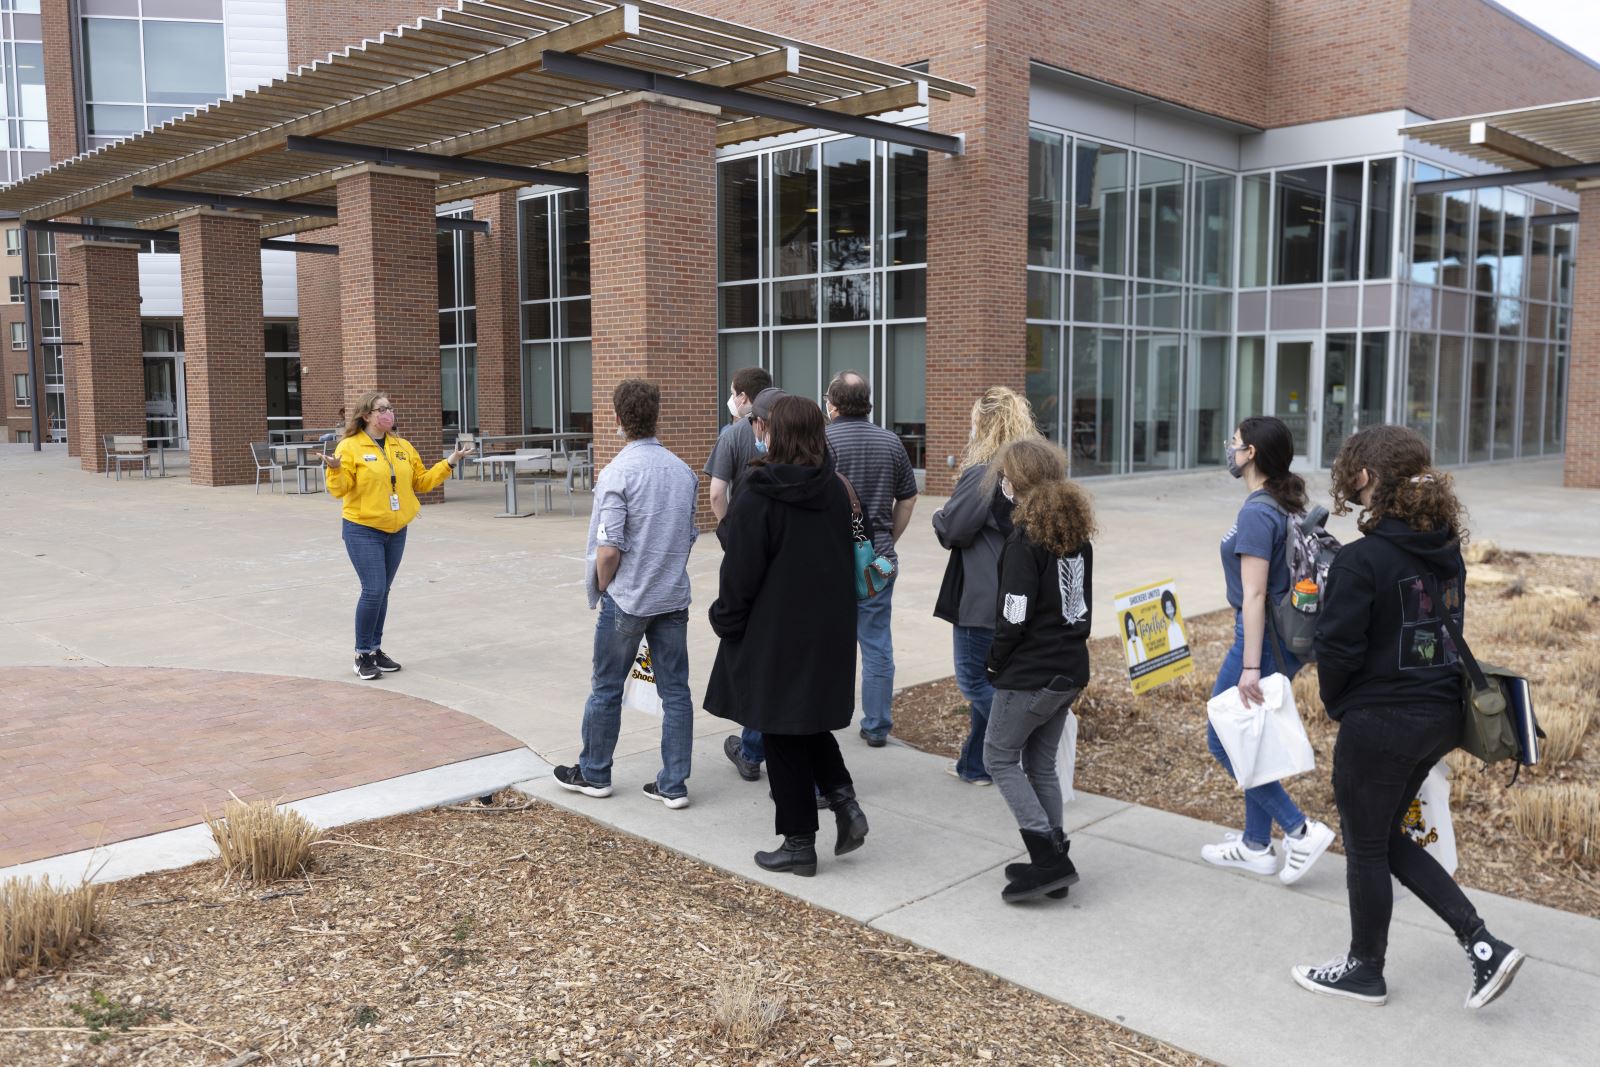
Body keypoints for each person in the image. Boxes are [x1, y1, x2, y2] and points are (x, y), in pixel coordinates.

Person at [1293, 424, 1524, 1009]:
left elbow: (1338, 651)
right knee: (1382, 836)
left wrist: (1340, 705)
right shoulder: (1445, 549)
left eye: (1351, 470)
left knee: (1366, 846)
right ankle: (1482, 945)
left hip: (1380, 723)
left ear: (1366, 477)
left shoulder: (1361, 560)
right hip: (1437, 718)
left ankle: (1365, 970)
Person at [705, 395, 867, 876]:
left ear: (776, 434)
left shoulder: (760, 489)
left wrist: (726, 618)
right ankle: (843, 800)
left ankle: (799, 843)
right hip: (828, 627)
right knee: (807, 722)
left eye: (766, 427)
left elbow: (740, 569)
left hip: (774, 630)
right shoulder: (835, 488)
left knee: (779, 731)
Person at [1200, 415, 1335, 884]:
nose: (1229, 450)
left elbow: (1255, 594)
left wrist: (1251, 666)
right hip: (1281, 638)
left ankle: (1299, 831)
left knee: (1222, 736)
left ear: (1251, 453)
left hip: (1261, 641)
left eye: (1233, 443)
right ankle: (1257, 845)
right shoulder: (1283, 501)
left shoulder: (1258, 512)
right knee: (1247, 737)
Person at [554, 380, 699, 809]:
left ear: (617, 419)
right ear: (656, 416)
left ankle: (595, 772)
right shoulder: (682, 470)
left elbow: (609, 547)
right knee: (676, 691)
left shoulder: (618, 472)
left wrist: (602, 585)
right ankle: (674, 783)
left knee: (606, 686)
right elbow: (688, 533)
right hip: (671, 596)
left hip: (628, 598)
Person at [983, 438, 1093, 903]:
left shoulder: (1023, 540)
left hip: (1030, 671)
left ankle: (1048, 859)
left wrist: (994, 661)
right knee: (1041, 764)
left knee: (999, 758)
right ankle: (1056, 859)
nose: (1002, 483)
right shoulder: (1075, 536)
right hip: (1069, 667)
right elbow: (1080, 607)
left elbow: (1013, 613)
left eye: (1006, 477)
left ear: (1018, 484)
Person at [321, 390, 474, 681]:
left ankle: (376, 649)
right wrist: (334, 469)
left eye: (390, 407)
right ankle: (362, 654)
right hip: (363, 528)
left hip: (396, 529)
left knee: (383, 591)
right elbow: (339, 490)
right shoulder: (349, 447)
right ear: (366, 415)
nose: (388, 413)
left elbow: (422, 482)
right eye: (381, 409)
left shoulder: (401, 446)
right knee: (373, 589)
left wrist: (451, 460)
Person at [931, 386, 1036, 785]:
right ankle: (976, 765)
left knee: (974, 680)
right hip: (1019, 595)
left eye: (975, 422)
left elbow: (953, 529)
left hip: (981, 597)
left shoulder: (985, 472)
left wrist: (939, 516)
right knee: (991, 679)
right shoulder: (1030, 470)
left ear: (985, 425)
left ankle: (1026, 747)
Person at [824, 370, 918, 746]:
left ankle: (824, 715)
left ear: (831, 405)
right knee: (877, 642)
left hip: (828, 558)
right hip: (876, 559)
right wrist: (887, 538)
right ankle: (877, 724)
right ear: (867, 403)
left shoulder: (822, 442)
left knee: (826, 642)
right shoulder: (891, 442)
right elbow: (908, 498)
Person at [717, 379, 779, 784]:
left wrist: (729, 537)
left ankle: (754, 749)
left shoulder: (758, 486)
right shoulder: (826, 479)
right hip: (810, 606)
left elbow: (716, 493)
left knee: (765, 673)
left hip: (767, 598)